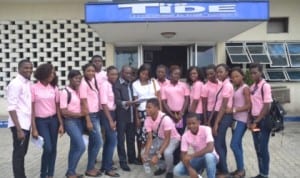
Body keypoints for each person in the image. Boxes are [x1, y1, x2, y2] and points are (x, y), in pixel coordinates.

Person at [31, 63, 64, 178]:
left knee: (53, 149)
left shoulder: (54, 88)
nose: (53, 74)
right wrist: (34, 129)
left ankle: (51, 174)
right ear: (44, 73)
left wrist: (61, 124)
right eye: (51, 72)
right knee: (48, 147)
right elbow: (32, 110)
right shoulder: (33, 88)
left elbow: (57, 107)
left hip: (53, 121)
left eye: (54, 72)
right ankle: (43, 174)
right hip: (41, 122)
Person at [7, 59, 33, 178]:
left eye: (30, 68)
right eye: (26, 68)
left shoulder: (27, 83)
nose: (29, 70)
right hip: (19, 125)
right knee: (18, 153)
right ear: (19, 69)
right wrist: (18, 129)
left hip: (26, 124)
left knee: (22, 153)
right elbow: (11, 108)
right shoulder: (15, 83)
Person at [142, 98, 180, 178]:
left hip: (173, 138)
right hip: (160, 138)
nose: (146, 109)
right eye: (146, 107)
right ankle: (162, 167)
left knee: (167, 152)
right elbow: (149, 139)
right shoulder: (147, 119)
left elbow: (167, 139)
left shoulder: (166, 119)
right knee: (146, 152)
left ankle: (170, 171)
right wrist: (145, 154)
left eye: (149, 107)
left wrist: (158, 155)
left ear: (157, 108)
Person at [173, 113, 218, 178]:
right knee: (176, 171)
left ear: (199, 122)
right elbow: (183, 155)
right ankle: (198, 176)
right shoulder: (185, 136)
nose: (191, 126)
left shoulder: (206, 129)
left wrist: (192, 155)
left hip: (211, 157)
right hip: (198, 158)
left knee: (208, 156)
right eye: (189, 124)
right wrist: (190, 169)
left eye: (193, 123)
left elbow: (210, 148)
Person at [161, 65, 189, 165]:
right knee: (169, 136)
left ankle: (177, 160)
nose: (177, 76)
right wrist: (172, 116)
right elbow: (164, 102)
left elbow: (186, 99)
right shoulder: (165, 87)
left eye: (179, 74)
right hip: (170, 114)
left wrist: (181, 113)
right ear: (170, 74)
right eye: (175, 74)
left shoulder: (184, 85)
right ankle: (167, 159)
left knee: (180, 137)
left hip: (181, 114)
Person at [132, 64, 160, 163]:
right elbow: (135, 102)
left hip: (154, 113)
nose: (144, 76)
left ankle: (153, 157)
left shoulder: (154, 82)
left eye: (147, 74)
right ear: (139, 73)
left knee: (154, 135)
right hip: (141, 112)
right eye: (142, 73)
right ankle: (140, 156)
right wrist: (137, 118)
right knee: (140, 136)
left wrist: (160, 113)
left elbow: (159, 98)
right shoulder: (135, 84)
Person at [60, 70, 85, 178]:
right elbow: (64, 111)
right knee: (81, 146)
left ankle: (71, 172)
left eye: (80, 78)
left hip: (79, 122)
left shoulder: (77, 91)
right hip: (70, 122)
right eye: (76, 78)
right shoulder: (65, 92)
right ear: (70, 79)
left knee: (74, 147)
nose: (78, 80)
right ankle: (70, 171)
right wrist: (79, 114)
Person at [248, 63, 272, 178]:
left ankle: (265, 174)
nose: (253, 75)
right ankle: (261, 173)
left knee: (263, 148)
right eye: (251, 73)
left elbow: (267, 106)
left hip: (263, 121)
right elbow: (251, 105)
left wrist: (257, 120)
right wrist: (250, 120)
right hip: (254, 121)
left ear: (261, 72)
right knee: (257, 147)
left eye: (255, 73)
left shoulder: (265, 86)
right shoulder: (252, 87)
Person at [114, 65, 139, 172]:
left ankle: (132, 158)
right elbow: (117, 101)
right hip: (121, 117)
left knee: (131, 139)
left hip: (132, 116)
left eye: (130, 73)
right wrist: (128, 103)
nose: (129, 75)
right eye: (126, 73)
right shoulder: (117, 85)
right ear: (121, 72)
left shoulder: (132, 84)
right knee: (121, 140)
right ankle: (123, 162)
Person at [80, 63, 102, 177]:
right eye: (88, 71)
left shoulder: (92, 81)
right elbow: (83, 102)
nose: (91, 73)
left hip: (96, 114)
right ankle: (89, 169)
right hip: (91, 116)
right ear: (84, 72)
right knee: (98, 142)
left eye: (93, 71)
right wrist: (88, 119)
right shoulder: (83, 84)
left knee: (93, 142)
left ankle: (91, 166)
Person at [212, 64, 234, 178]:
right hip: (221, 115)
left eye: (221, 72)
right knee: (221, 144)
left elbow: (224, 106)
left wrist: (216, 123)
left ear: (227, 72)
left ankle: (225, 172)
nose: (218, 74)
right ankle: (222, 167)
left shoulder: (227, 86)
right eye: (217, 72)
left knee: (218, 143)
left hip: (224, 116)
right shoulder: (223, 84)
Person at [229, 67, 251, 178]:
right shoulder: (236, 88)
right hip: (235, 120)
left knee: (233, 144)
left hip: (242, 120)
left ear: (242, 75)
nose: (234, 78)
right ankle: (240, 169)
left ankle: (241, 170)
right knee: (238, 145)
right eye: (232, 77)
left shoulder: (245, 88)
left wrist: (233, 110)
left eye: (237, 76)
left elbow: (248, 105)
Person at [99, 66, 120, 177]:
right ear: (107, 75)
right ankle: (108, 168)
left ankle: (104, 166)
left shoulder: (113, 85)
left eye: (116, 74)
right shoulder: (104, 85)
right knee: (112, 141)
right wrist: (111, 120)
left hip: (112, 113)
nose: (114, 76)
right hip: (106, 114)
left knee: (108, 142)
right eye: (112, 74)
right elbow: (104, 104)